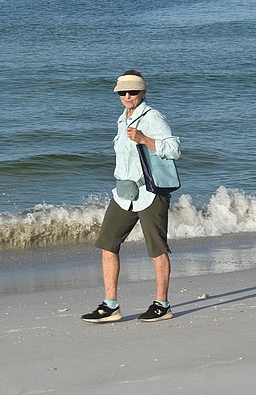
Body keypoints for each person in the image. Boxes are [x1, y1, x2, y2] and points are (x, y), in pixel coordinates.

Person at [82, 70, 181, 323]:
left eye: (133, 91)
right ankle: (110, 305)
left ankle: (162, 305)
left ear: (143, 92)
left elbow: (174, 149)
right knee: (107, 245)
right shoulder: (121, 118)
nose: (127, 96)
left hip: (150, 193)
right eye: (122, 92)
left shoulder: (152, 117)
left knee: (157, 249)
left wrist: (145, 139)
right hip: (123, 193)